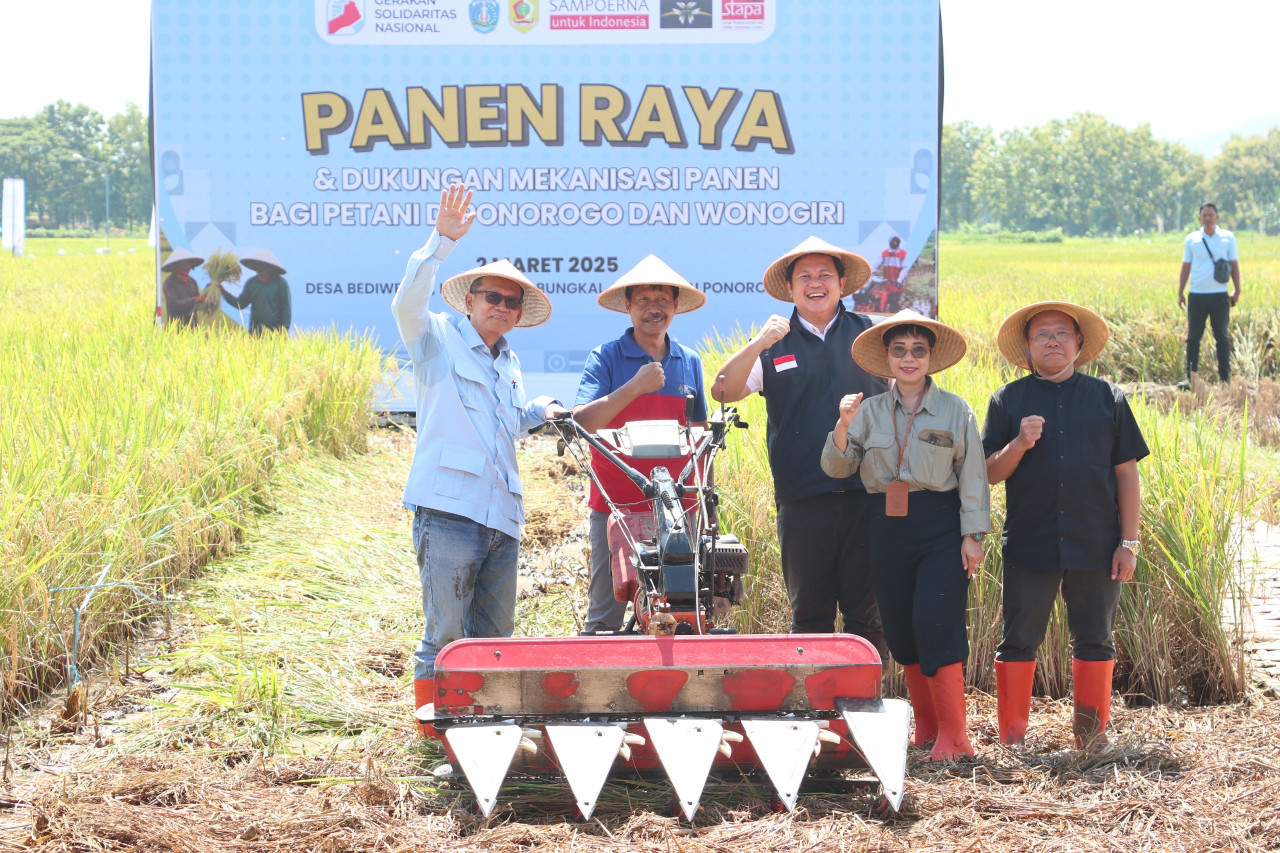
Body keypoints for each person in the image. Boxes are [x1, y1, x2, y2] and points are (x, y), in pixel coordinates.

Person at [391, 184, 566, 728]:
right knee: (445, 636)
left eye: (512, 302)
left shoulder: (509, 363)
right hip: (448, 513)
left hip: (502, 519)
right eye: (493, 297)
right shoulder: (435, 339)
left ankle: (485, 733)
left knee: (496, 642)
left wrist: (540, 408)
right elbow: (405, 303)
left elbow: (506, 425)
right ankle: (434, 733)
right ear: (469, 301)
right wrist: (441, 241)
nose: (503, 308)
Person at [820, 310, 990, 759]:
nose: (909, 358)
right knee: (901, 630)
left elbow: (973, 475)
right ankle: (928, 730)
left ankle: (957, 737)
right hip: (885, 526)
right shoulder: (869, 410)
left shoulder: (956, 410)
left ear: (930, 357)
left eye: (918, 350)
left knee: (938, 623)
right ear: (887, 358)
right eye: (900, 350)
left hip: (940, 526)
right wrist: (842, 423)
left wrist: (973, 535)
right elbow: (837, 467)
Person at [982, 301, 1149, 750]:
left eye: (1061, 333)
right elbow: (988, 472)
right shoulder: (1007, 400)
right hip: (1029, 542)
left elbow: (1127, 473)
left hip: (1096, 543)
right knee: (1017, 640)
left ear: (1078, 344)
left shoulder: (1107, 399)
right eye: (1041, 335)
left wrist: (1128, 542)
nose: (1052, 340)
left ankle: (1090, 741)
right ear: (1028, 348)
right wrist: (1019, 443)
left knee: (1095, 639)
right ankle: (1012, 741)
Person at [713, 236, 889, 658]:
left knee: (868, 617)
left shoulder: (872, 335)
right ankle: (817, 717)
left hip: (870, 497)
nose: (815, 284)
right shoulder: (775, 344)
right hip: (803, 498)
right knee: (810, 617)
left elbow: (913, 390)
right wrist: (759, 343)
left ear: (842, 283)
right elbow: (722, 390)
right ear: (789, 289)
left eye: (825, 275)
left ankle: (868, 706)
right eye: (804, 277)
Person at [573, 255, 709, 634]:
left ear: (676, 306)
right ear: (628, 307)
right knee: (605, 612)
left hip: (679, 508)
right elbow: (582, 421)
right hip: (615, 506)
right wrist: (635, 386)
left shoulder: (689, 360)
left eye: (663, 299)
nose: (654, 308)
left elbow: (700, 438)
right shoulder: (606, 357)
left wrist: (705, 507)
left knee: (686, 610)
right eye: (645, 300)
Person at [1177, 203, 1241, 386]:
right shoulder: (1191, 239)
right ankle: (1191, 379)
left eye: (1211, 215)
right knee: (1193, 338)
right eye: (1204, 215)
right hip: (1197, 295)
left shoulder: (1228, 238)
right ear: (1199, 218)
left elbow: (1234, 265)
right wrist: (1180, 292)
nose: (1207, 218)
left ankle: (1224, 379)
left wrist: (1237, 289)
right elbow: (1186, 267)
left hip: (1220, 295)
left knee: (1221, 337)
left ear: (1217, 217)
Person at [220, 248, 292, 334]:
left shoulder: (281, 283)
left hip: (275, 332)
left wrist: (283, 331)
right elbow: (241, 304)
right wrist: (224, 293)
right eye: (258, 266)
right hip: (255, 332)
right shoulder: (252, 283)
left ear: (270, 267)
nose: (260, 269)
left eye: (263, 266)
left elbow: (286, 309)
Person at [161, 248, 206, 327]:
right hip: (176, 325)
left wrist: (205, 298)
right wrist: (194, 299)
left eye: (188, 264)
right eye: (183, 264)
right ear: (175, 267)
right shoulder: (169, 283)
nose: (186, 267)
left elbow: (198, 303)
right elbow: (173, 305)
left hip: (193, 324)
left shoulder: (192, 281)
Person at [874, 235, 908, 313]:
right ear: (890, 241)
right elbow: (876, 265)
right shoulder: (885, 253)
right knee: (883, 302)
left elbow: (904, 268)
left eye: (897, 241)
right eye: (893, 241)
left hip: (897, 284)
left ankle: (894, 318)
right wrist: (870, 274)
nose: (895, 243)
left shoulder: (903, 254)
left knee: (893, 302)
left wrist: (899, 280)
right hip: (887, 283)